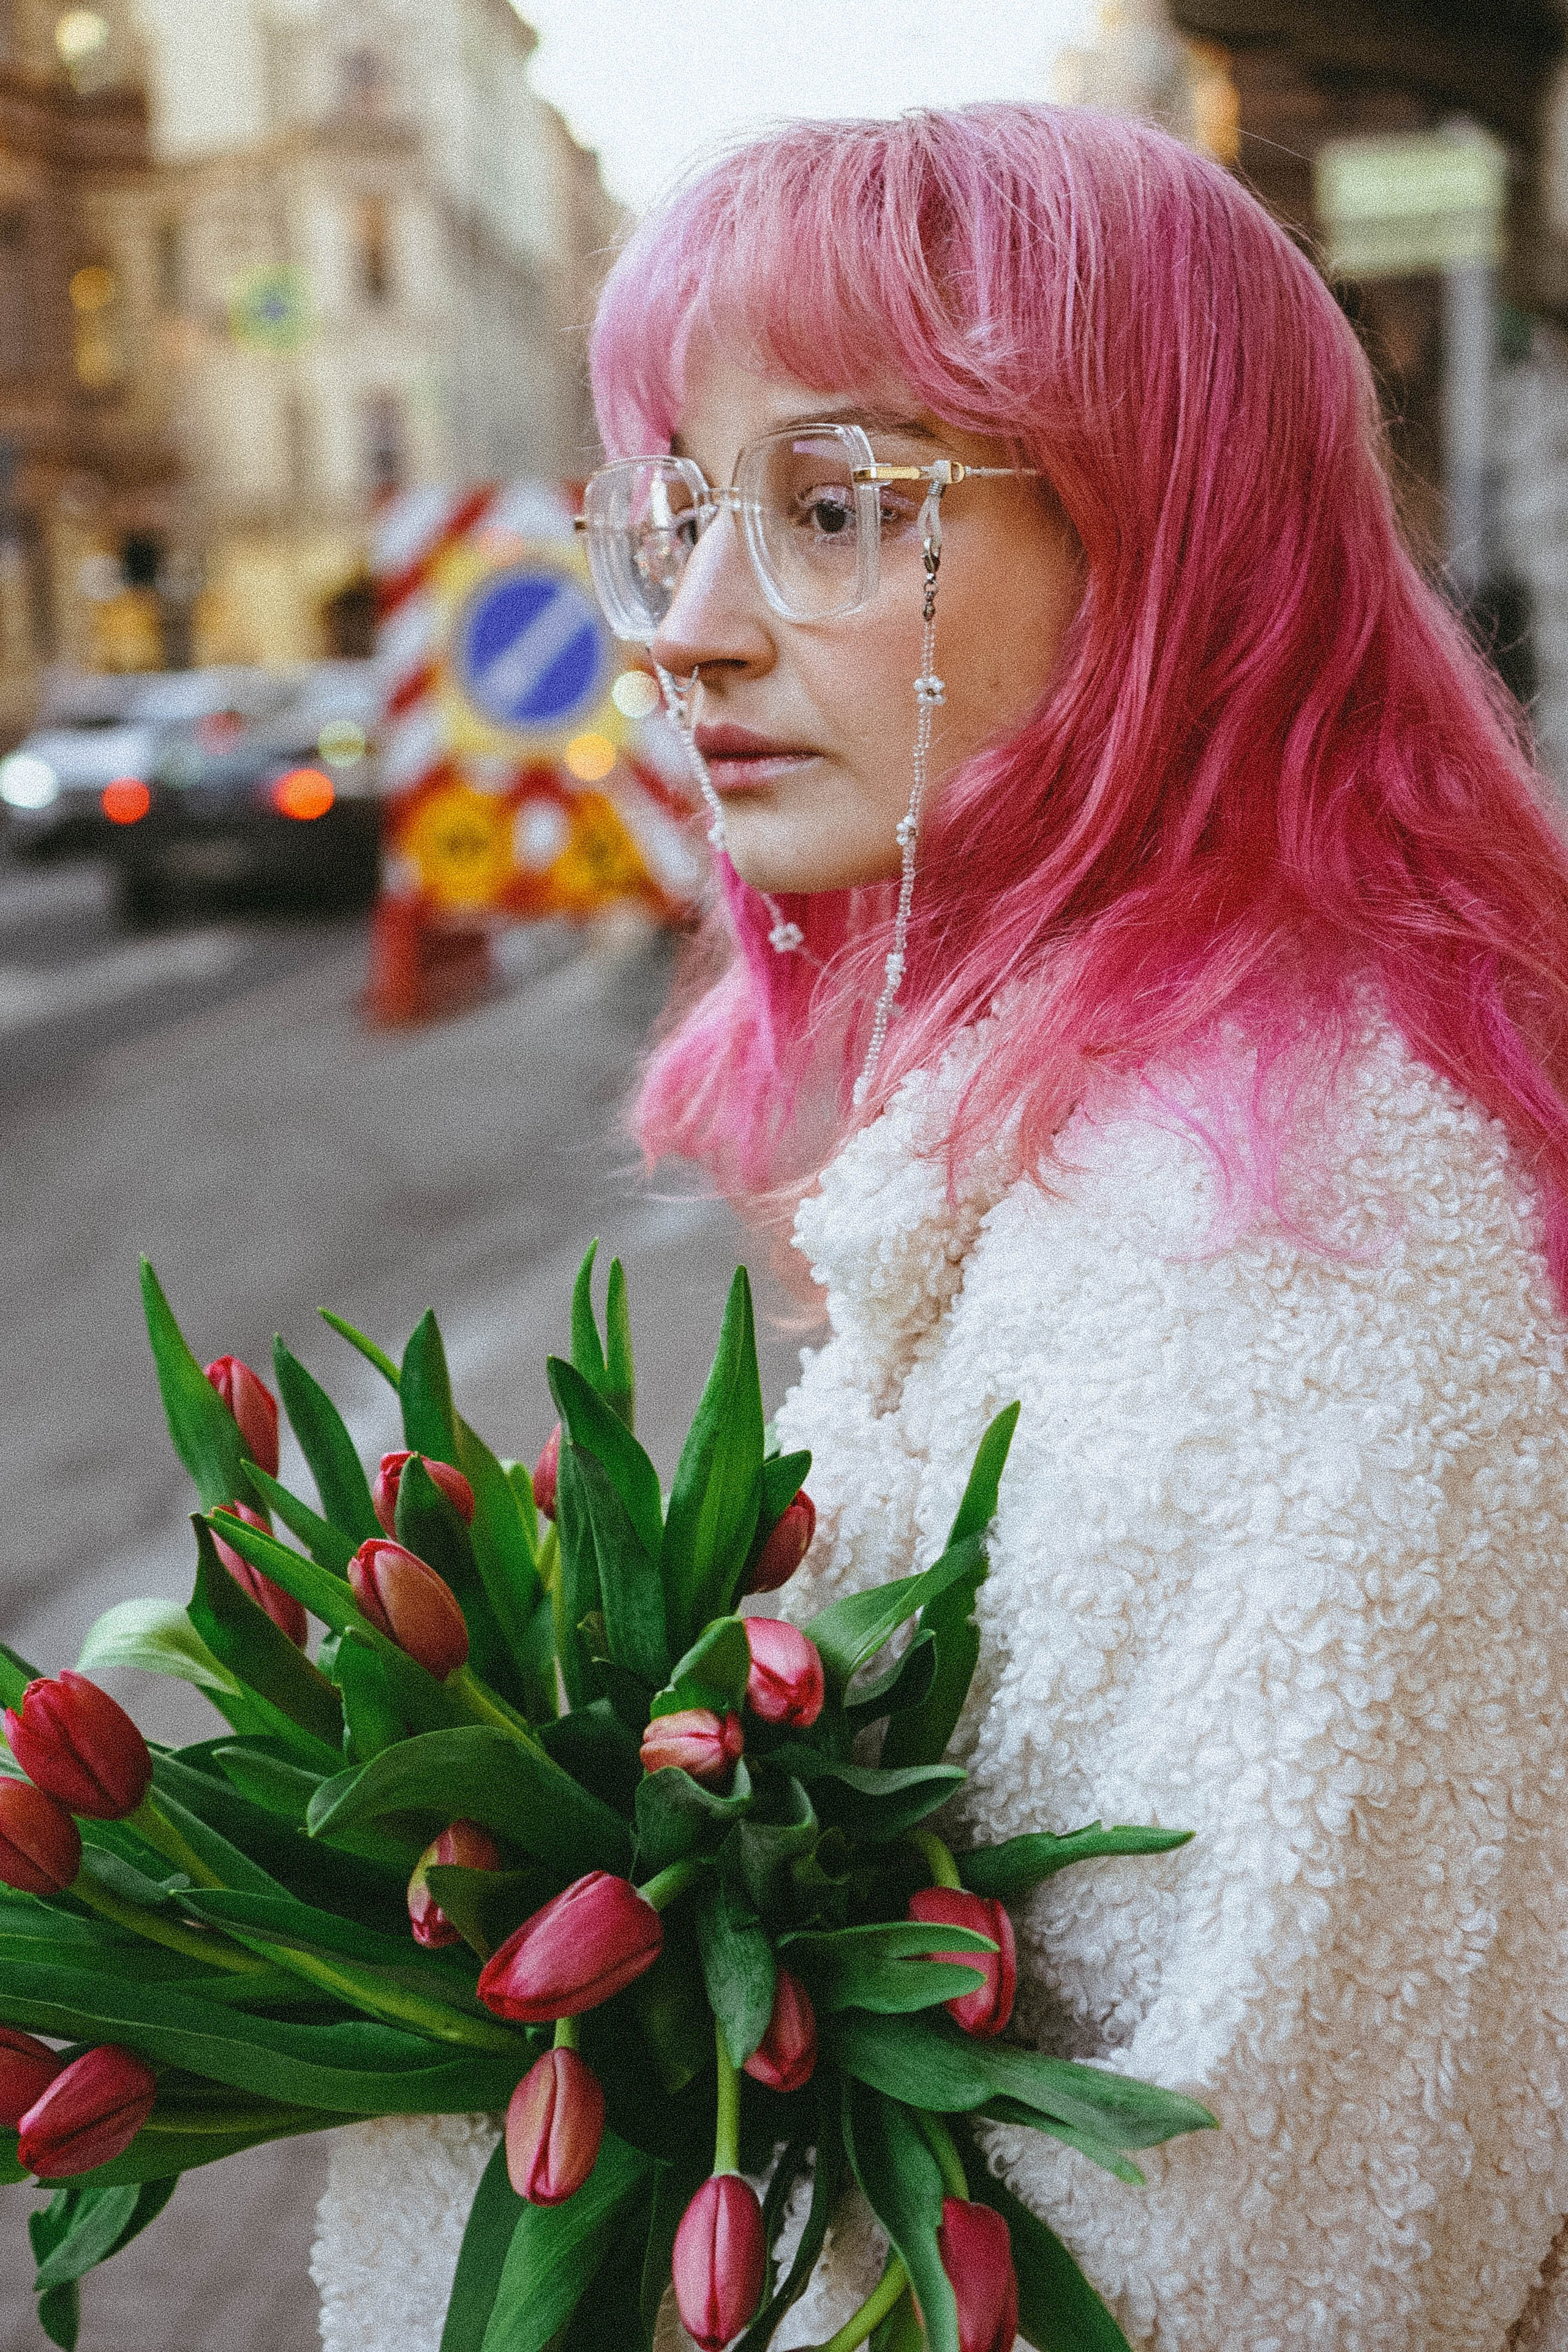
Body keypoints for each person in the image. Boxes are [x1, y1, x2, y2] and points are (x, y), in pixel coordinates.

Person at [314, 104, 1568, 2350]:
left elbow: (1218, 2259)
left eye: (829, 508)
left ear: (1159, 552)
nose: (687, 637)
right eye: (679, 518)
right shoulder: (1145, 1125)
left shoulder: (1285, 1257)